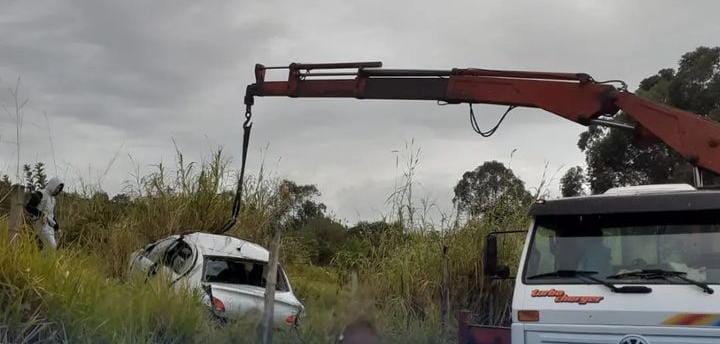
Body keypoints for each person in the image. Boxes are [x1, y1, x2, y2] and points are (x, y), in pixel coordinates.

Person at [32, 177, 64, 251]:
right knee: (51, 246)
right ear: (53, 185)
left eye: (59, 188)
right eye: (57, 187)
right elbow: (29, 207)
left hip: (49, 226)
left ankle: (42, 261)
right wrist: (41, 215)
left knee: (52, 248)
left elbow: (51, 215)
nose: (58, 190)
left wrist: (57, 228)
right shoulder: (40, 193)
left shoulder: (53, 200)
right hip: (39, 223)